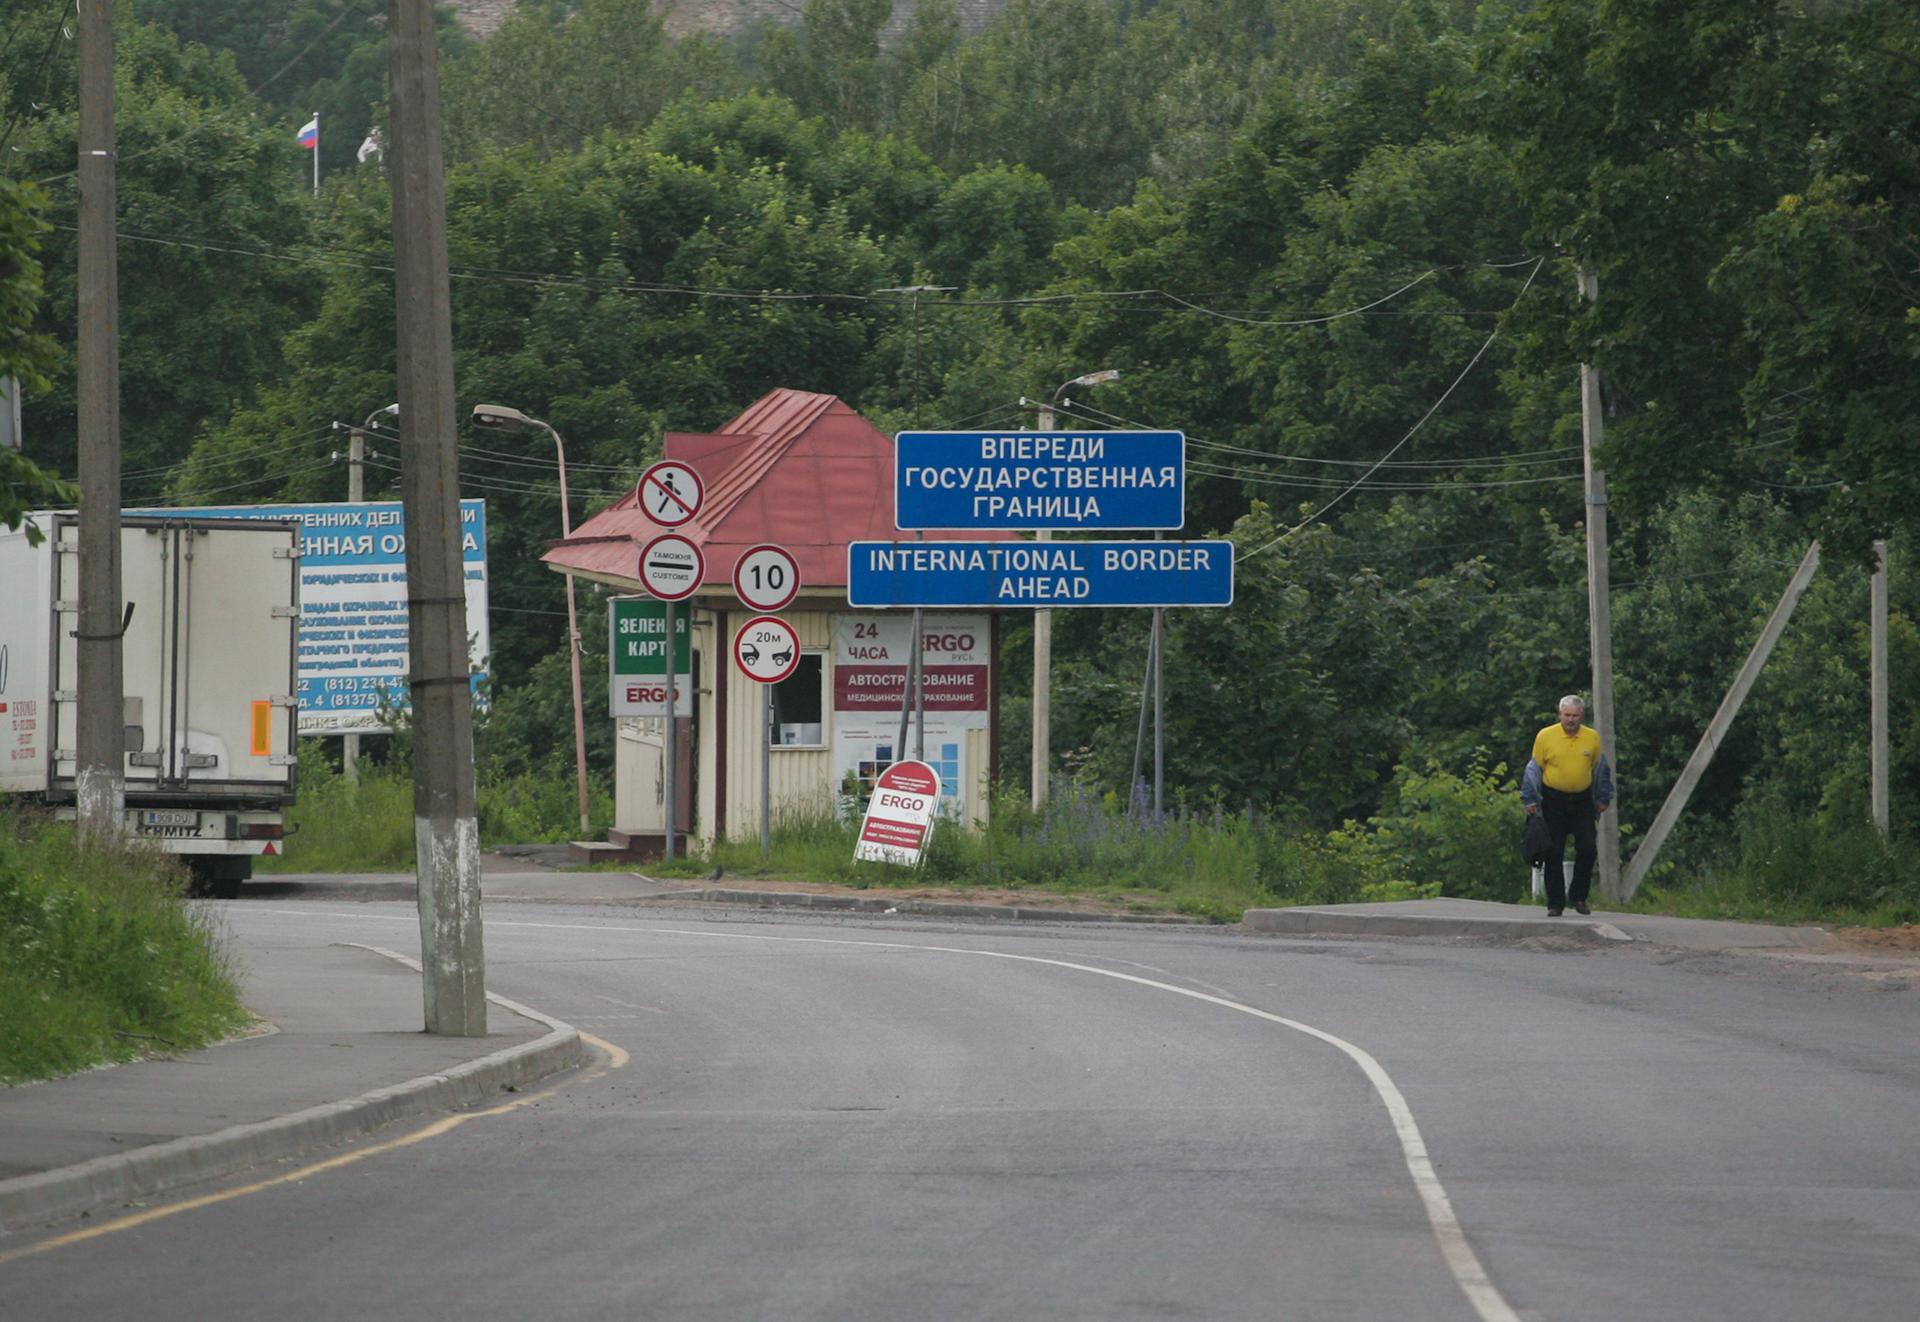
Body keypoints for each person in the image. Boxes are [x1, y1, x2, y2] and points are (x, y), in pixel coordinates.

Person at [1520, 695, 1614, 916]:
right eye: (1567, 715)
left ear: (1582, 716)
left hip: (1582, 800)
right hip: (1553, 799)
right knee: (1553, 851)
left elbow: (1600, 769)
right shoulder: (1546, 736)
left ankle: (1579, 897)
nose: (1571, 720)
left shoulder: (1591, 738)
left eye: (1576, 716)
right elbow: (1533, 769)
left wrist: (1603, 798)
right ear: (1560, 714)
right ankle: (1555, 903)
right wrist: (1530, 800)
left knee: (1588, 848)